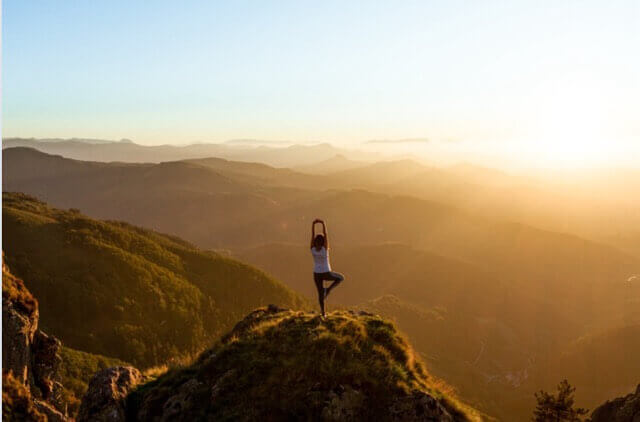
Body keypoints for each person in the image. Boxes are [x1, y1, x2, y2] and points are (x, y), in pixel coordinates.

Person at [310, 218, 344, 318]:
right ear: (323, 241)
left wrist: (313, 224)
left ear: (315, 242)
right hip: (326, 272)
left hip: (316, 274)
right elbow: (326, 234)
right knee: (340, 278)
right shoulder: (325, 249)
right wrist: (323, 223)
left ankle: (323, 313)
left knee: (320, 294)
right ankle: (328, 290)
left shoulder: (312, 249)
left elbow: (312, 236)